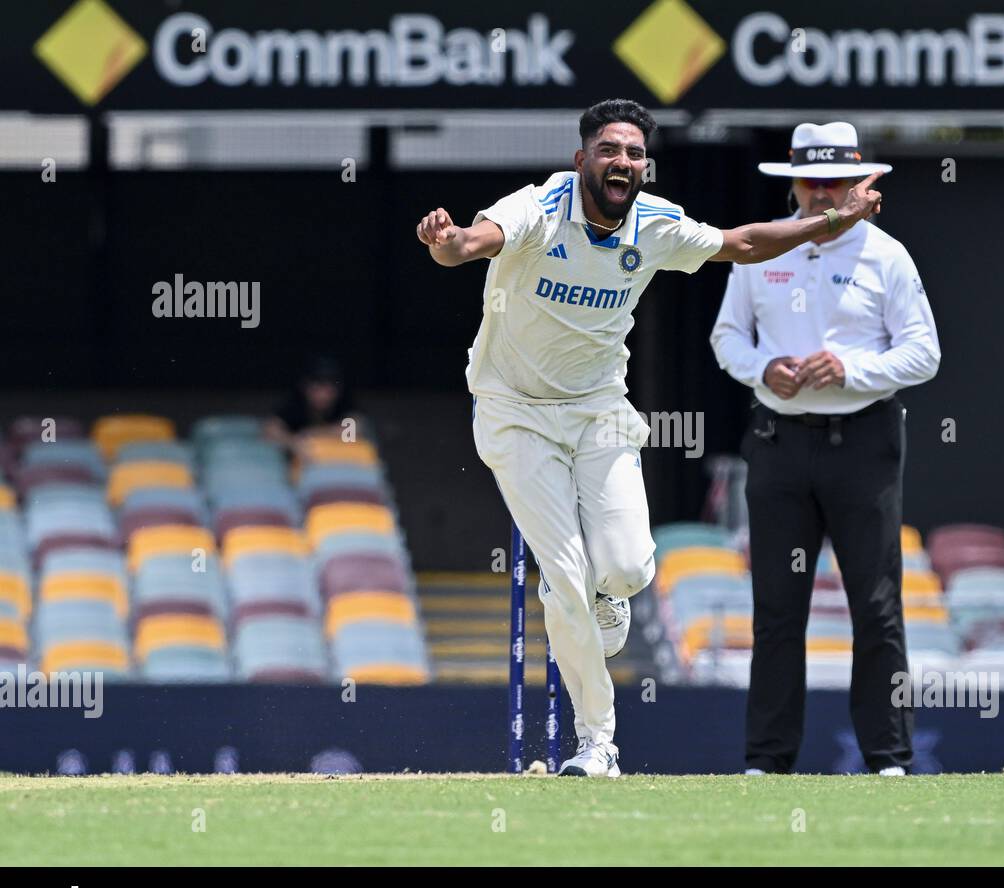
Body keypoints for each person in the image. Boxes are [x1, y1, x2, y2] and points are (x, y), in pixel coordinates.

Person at [416, 100, 884, 776]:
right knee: (566, 578)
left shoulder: (656, 224)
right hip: (513, 409)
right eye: (610, 150)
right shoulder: (541, 206)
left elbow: (745, 243)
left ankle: (608, 597)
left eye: (635, 154)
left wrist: (835, 218)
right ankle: (597, 743)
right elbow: (474, 242)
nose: (623, 163)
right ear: (583, 160)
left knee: (630, 568)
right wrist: (448, 242)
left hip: (600, 408)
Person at [710, 121, 940, 775]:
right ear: (794, 185)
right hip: (780, 441)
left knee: (875, 604)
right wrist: (764, 369)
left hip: (862, 441)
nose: (822, 195)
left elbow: (925, 352)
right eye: (811, 182)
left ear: (858, 183)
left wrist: (850, 372)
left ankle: (889, 758)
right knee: (778, 607)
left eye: (834, 182)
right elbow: (728, 339)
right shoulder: (764, 251)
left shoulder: (886, 255)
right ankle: (766, 760)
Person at [263, 355, 361, 454]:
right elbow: (271, 429)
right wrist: (293, 442)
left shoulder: (344, 404)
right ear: (304, 386)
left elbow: (353, 430)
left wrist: (311, 434)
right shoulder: (295, 405)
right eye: (316, 388)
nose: (322, 395)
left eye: (328, 389)